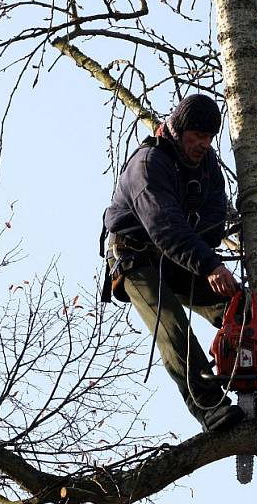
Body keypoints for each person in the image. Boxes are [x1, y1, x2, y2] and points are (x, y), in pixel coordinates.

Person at [102, 94, 244, 432]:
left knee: (241, 305)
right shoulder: (149, 164)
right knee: (173, 327)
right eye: (196, 136)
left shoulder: (206, 165)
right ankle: (208, 405)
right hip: (134, 257)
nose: (202, 144)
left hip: (178, 254)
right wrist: (209, 265)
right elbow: (165, 226)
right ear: (178, 131)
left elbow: (212, 216)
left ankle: (246, 365)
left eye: (209, 138)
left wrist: (205, 257)